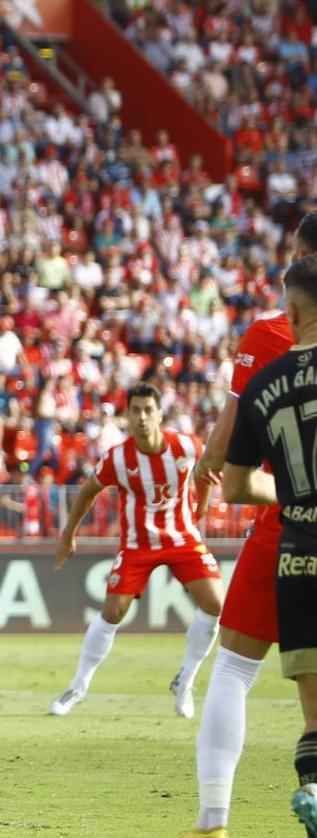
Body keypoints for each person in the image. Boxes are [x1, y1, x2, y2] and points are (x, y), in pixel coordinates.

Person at [185, 212, 316, 837]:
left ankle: (214, 816)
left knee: (235, 669)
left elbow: (225, 445)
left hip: (285, 522)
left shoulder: (268, 335)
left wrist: (205, 471)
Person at [48, 382, 222, 718]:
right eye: (136, 411)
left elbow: (206, 469)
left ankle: (185, 680)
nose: (142, 417)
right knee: (113, 612)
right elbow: (88, 491)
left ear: (159, 414)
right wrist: (68, 534)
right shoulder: (118, 457)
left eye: (148, 410)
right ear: (128, 415)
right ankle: (78, 687)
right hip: (137, 544)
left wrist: (201, 506)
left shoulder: (186, 445)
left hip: (182, 538)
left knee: (215, 604)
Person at [220, 253, 317, 838]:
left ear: (294, 311)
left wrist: (296, 489)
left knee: (312, 711)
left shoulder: (264, 384)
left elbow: (233, 486)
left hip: (298, 551)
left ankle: (314, 790)